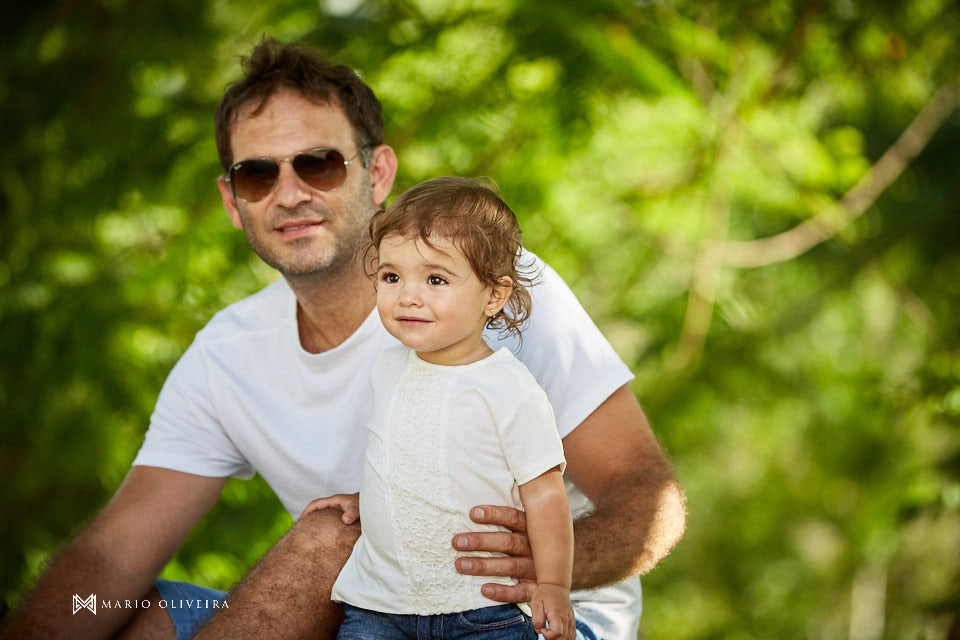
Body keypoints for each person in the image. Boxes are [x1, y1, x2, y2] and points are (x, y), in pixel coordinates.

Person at [2, 37, 685, 640]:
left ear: (378, 173)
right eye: (258, 174)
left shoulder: (489, 287)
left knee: (332, 538)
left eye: (319, 163)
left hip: (525, 617)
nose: (290, 192)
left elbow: (648, 496)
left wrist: (544, 560)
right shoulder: (227, 353)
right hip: (375, 612)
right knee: (122, 607)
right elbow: (112, 553)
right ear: (233, 203)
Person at [301, 176, 575, 640]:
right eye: (392, 276)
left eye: (435, 279)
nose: (408, 295)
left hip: (483, 608)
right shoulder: (387, 367)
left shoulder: (510, 388)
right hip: (380, 606)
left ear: (494, 295)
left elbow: (545, 493)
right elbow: (403, 456)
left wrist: (552, 583)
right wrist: (369, 498)